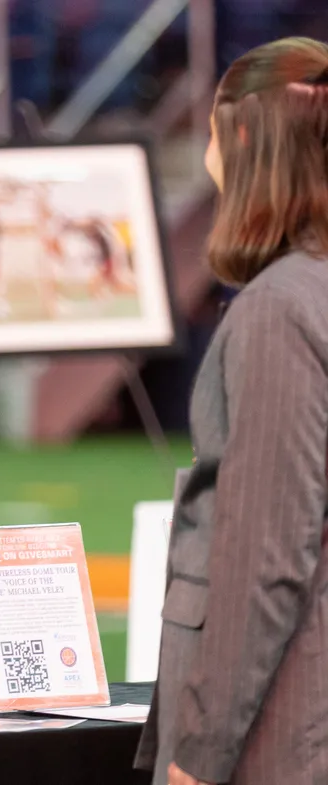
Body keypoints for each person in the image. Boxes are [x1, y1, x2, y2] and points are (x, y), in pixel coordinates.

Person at [136, 37, 328, 785]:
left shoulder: (280, 309)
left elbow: (266, 558)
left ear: (244, 137)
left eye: (211, 132)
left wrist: (201, 752)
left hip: (277, 736)